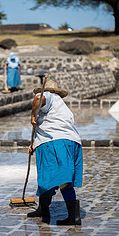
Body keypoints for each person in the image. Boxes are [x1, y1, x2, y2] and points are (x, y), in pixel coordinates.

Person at [27, 80, 83, 225]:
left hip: (55, 143)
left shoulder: (48, 95)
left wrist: (33, 115)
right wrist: (34, 143)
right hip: (70, 142)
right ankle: (44, 209)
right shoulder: (63, 108)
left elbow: (38, 99)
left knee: (52, 178)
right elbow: (51, 125)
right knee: (59, 178)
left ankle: (72, 217)